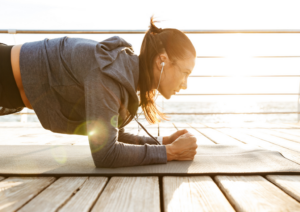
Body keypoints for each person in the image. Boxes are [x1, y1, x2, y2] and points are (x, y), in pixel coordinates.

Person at [0, 16, 198, 168]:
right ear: (161, 61)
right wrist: (170, 152)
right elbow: (106, 154)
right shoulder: (110, 73)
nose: (185, 84)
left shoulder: (123, 73)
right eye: (185, 73)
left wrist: (163, 142)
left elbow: (112, 137)